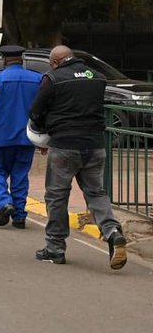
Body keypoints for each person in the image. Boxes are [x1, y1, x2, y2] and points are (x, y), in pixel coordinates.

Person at [29, 45, 128, 269]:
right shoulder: (98, 77)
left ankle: (55, 249)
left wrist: (41, 133)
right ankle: (112, 232)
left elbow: (36, 111)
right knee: (96, 193)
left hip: (64, 145)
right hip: (94, 144)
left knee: (57, 196)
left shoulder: (52, 79)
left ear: (55, 62)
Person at [0, 45, 41, 229]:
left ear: (4, 60)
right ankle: (19, 216)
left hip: (0, 136)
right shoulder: (37, 79)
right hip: (26, 137)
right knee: (20, 175)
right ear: (22, 59)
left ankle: (5, 202)